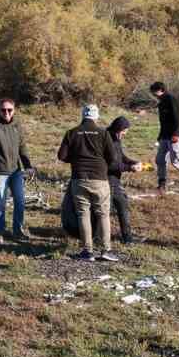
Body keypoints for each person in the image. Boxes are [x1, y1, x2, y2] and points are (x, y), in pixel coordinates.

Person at [57, 104, 119, 262]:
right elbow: (112, 158)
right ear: (96, 117)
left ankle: (87, 251)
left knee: (83, 214)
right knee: (103, 214)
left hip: (79, 178)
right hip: (100, 178)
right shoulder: (103, 133)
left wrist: (76, 159)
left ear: (82, 115)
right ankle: (106, 250)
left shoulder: (71, 133)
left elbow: (62, 156)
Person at [0, 98, 35, 243]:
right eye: (3, 110)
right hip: (0, 172)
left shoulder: (17, 125)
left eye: (9, 110)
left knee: (20, 202)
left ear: (14, 110)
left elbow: (22, 147)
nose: (6, 113)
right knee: (0, 203)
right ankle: (0, 232)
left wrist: (28, 165)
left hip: (16, 171)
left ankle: (18, 231)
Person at [106, 116, 143, 245]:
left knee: (120, 206)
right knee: (119, 205)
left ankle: (126, 237)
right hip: (107, 180)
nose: (125, 134)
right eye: (124, 131)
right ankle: (126, 238)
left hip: (114, 179)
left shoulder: (116, 139)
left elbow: (121, 156)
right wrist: (130, 168)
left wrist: (133, 162)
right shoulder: (106, 139)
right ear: (118, 128)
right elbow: (110, 164)